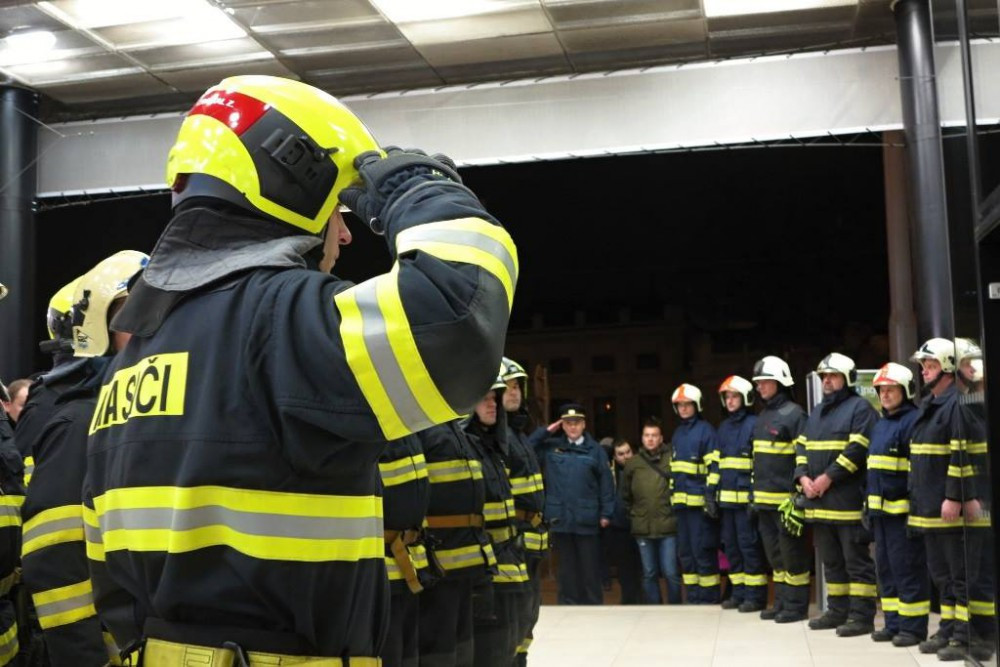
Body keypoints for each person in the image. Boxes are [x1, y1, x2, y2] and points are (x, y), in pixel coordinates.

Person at [81, 75, 517, 663]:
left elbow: (104, 568)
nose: (345, 233)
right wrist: (422, 192)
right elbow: (458, 328)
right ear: (295, 183)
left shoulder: (133, 358)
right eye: (339, 210)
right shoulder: (281, 319)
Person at [20, 251, 148, 667]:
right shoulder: (82, 419)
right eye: (135, 314)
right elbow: (54, 557)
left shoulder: (133, 411)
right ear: (98, 330)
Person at [908, 338, 992, 662]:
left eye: (930, 366)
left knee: (961, 577)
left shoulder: (957, 404)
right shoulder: (931, 404)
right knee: (942, 577)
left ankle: (963, 635)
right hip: (930, 508)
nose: (924, 372)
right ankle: (948, 627)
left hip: (949, 508)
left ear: (946, 368)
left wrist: (955, 496)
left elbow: (962, 455)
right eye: (923, 366)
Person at [795, 353, 878, 637]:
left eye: (833, 376)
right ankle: (837, 611)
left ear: (848, 379)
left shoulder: (861, 408)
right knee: (831, 563)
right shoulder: (818, 411)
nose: (827, 381)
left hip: (848, 503)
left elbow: (857, 449)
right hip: (819, 503)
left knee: (856, 563)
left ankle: (862, 617)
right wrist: (803, 477)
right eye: (824, 377)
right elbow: (802, 446)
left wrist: (827, 477)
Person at [417, 420, 495, 667]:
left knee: (462, 643)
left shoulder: (455, 431)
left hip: (466, 558)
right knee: (440, 643)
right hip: (439, 560)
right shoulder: (426, 430)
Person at [464, 375, 527, 666]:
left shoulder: (494, 450)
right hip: (486, 569)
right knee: (492, 650)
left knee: (512, 642)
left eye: (494, 399)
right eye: (485, 399)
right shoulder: (468, 449)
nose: (492, 405)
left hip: (509, 562)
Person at [865, 362, 927, 648]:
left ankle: (913, 628)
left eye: (891, 389)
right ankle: (893, 624)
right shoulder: (881, 424)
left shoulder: (912, 422)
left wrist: (915, 510)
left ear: (906, 391)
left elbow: (917, 472)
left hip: (903, 514)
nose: (885, 395)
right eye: (881, 390)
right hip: (881, 514)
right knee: (886, 570)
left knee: (907, 569)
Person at [530, 403, 614, 605]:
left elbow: (606, 484)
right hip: (561, 519)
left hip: (587, 518)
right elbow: (526, 449)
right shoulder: (551, 447)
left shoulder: (595, 450)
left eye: (577, 422)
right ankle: (568, 605)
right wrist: (546, 431)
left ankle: (592, 605)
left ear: (584, 424)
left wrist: (606, 513)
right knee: (566, 569)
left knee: (589, 568)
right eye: (568, 423)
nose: (573, 427)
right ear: (562, 425)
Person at [749, 355, 809, 622]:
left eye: (765, 381)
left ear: (780, 382)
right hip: (764, 503)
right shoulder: (763, 416)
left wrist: (798, 497)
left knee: (792, 556)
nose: (759, 386)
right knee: (775, 557)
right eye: (758, 382)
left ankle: (796, 607)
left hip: (786, 502)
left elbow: (803, 458)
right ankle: (782, 602)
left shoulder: (795, 415)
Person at [499, 357, 546, 665]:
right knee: (515, 615)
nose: (514, 392)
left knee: (529, 613)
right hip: (514, 541)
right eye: (507, 387)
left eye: (517, 386)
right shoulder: (497, 438)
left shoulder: (519, 434)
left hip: (531, 540)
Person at [707, 376, 766, 612]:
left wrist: (754, 496)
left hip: (745, 504)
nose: (730, 401)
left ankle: (755, 596)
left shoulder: (754, 424)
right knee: (731, 549)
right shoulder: (723, 428)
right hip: (727, 503)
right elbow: (716, 464)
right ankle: (739, 593)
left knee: (749, 548)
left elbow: (759, 464)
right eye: (727, 397)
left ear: (746, 398)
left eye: (734, 397)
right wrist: (710, 494)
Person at [378, 434, 432, 667]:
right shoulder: (371, 433)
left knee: (408, 654)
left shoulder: (411, 436)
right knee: (390, 653)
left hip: (410, 564)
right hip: (381, 571)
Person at [668, 384, 720, 604]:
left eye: (687, 404)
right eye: (679, 405)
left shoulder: (706, 431)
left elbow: (714, 468)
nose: (683, 408)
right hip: (682, 508)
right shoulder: (678, 433)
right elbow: (674, 470)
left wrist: (710, 496)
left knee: (703, 553)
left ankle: (709, 599)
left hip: (700, 507)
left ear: (697, 405)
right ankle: (693, 598)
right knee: (686, 555)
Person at [622, 417, 680, 604]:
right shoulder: (633, 463)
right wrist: (634, 514)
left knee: (671, 572)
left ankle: (676, 608)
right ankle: (655, 609)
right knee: (649, 573)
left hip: (668, 525)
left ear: (661, 438)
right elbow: (625, 494)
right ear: (642, 438)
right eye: (647, 435)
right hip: (642, 526)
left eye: (654, 435)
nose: (650, 439)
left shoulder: (671, 459)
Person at [604, 439, 643, 604]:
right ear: (614, 456)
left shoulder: (641, 468)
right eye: (621, 454)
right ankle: (628, 602)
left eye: (628, 452)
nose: (625, 456)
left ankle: (644, 601)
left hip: (641, 524)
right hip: (619, 526)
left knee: (644, 568)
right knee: (625, 568)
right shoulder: (610, 472)